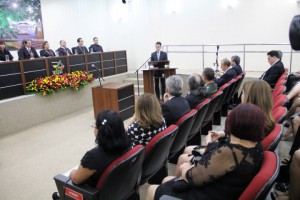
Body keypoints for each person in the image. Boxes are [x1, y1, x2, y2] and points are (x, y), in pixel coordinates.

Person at [147, 103, 264, 200]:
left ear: (236, 125)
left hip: (209, 193)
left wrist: (185, 168)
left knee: (152, 189)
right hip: (222, 189)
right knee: (166, 180)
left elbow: (194, 177)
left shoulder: (230, 152)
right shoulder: (256, 145)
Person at [69, 110, 131, 187]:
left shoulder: (93, 157)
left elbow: (76, 179)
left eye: (94, 126)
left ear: (100, 131)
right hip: (120, 187)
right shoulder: (128, 142)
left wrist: (72, 172)